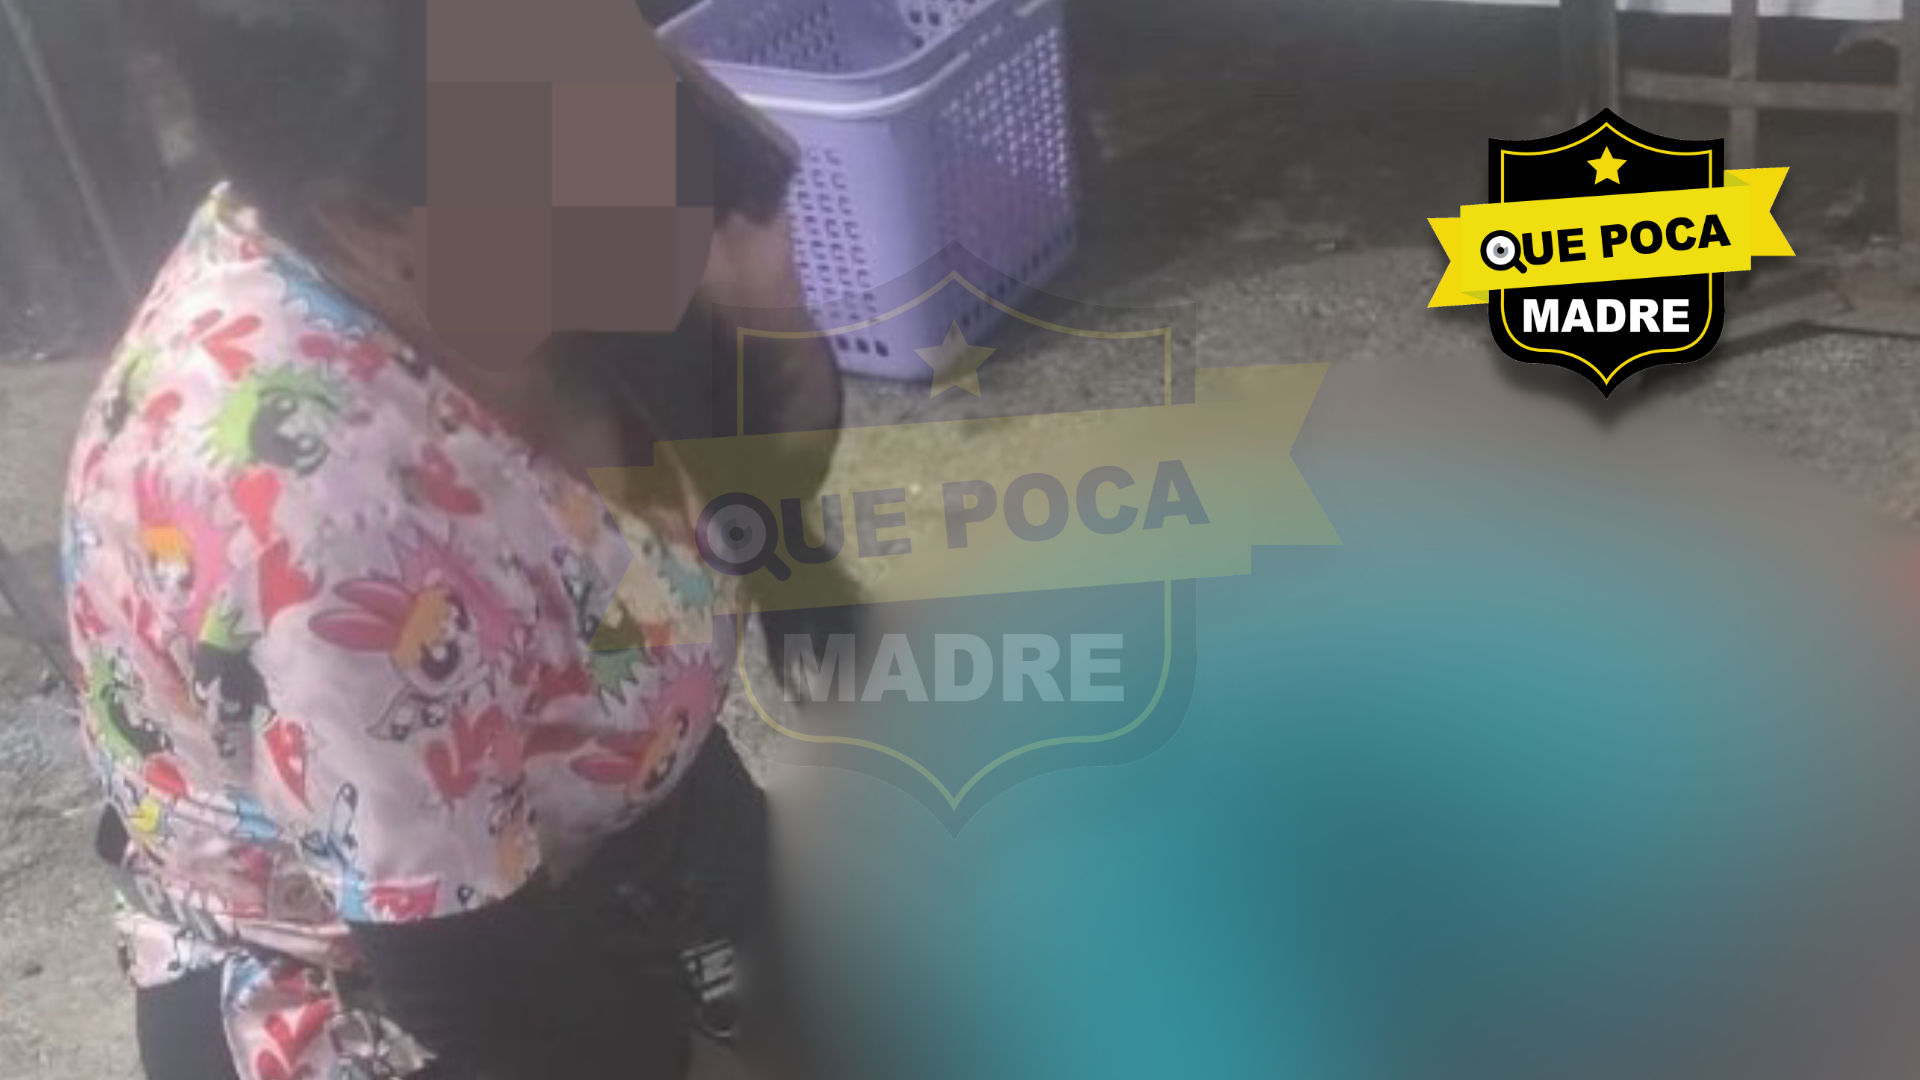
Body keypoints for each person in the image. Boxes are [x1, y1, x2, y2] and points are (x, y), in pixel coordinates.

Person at [63, 1, 839, 1077]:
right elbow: (480, 995)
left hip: (611, 800)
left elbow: (748, 489)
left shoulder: (551, 171)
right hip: (396, 986)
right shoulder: (319, 507)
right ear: (368, 222)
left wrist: (770, 328)